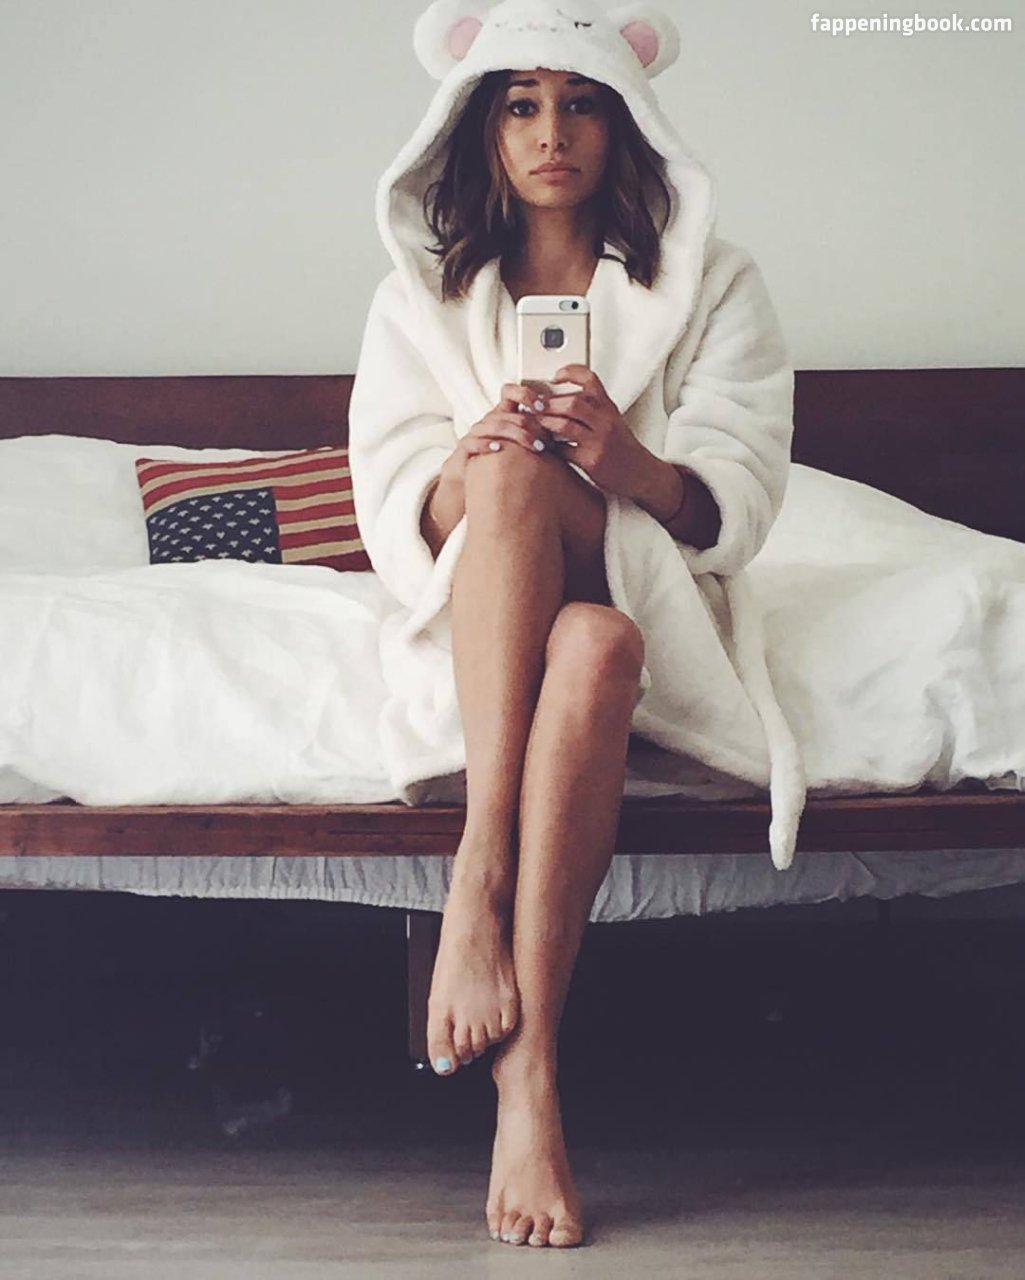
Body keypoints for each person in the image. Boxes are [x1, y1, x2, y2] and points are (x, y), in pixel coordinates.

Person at [348, 0, 807, 1250]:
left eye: (580, 103)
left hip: (639, 566)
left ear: (625, 118)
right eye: (520, 104)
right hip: (503, 607)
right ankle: (531, 1075)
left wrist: (626, 460)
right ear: (480, 128)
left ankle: (475, 882)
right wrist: (462, 468)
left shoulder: (711, 281)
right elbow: (394, 501)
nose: (550, 132)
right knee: (578, 622)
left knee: (581, 572)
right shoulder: (421, 297)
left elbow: (735, 497)